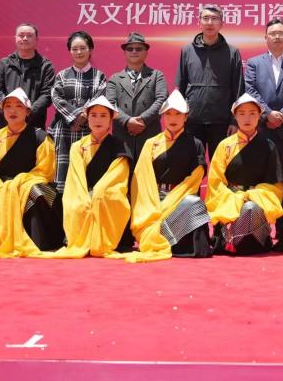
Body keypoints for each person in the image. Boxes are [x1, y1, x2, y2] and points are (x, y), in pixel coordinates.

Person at [111, 90, 212, 262]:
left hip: (180, 201)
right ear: (163, 117)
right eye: (168, 114)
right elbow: (141, 178)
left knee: (194, 203)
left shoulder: (195, 144)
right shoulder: (152, 143)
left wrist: (172, 200)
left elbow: (194, 180)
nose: (173, 118)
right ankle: (162, 240)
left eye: (178, 114)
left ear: (186, 117)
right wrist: (154, 204)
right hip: (153, 199)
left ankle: (176, 243)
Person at [243, 18, 283, 247]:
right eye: (273, 33)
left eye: (281, 33)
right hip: (262, 130)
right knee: (262, 181)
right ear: (266, 37)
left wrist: (282, 115)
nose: (277, 37)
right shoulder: (254, 63)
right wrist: (268, 114)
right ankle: (258, 232)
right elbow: (250, 90)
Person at [0, 88, 60, 257]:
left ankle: (40, 239)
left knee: (37, 191)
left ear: (27, 111)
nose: (12, 111)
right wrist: (5, 190)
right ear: (2, 111)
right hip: (1, 189)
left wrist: (19, 185)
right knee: (2, 194)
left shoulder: (41, 137)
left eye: (19, 106)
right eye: (8, 106)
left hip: (31, 187)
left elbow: (45, 171)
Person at [53, 96, 133, 258]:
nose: (98, 120)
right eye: (94, 115)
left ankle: (105, 241)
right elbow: (75, 178)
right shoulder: (78, 146)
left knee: (102, 198)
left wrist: (97, 193)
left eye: (103, 115)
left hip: (109, 194)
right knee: (76, 203)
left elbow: (118, 176)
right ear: (87, 118)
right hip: (82, 192)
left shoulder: (119, 145)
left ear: (111, 119)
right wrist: (84, 196)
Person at [205, 93, 283, 255]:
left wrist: (251, 195)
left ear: (259, 116)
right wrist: (236, 198)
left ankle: (255, 238)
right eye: (242, 113)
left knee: (250, 208)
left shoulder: (269, 146)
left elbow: (274, 185)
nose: (247, 118)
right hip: (230, 200)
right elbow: (215, 183)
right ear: (235, 117)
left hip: (257, 201)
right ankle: (228, 238)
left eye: (252, 113)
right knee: (243, 207)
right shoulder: (225, 146)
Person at [176, 5, 244, 158]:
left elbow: (238, 89)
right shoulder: (187, 51)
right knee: (192, 164)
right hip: (192, 121)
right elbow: (180, 87)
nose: (209, 23)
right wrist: (180, 119)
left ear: (221, 23)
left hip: (222, 123)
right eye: (205, 18)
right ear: (199, 22)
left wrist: (234, 121)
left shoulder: (232, 52)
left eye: (214, 19)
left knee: (220, 165)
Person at [49, 31, 107, 194]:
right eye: (74, 49)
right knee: (62, 176)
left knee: (86, 174)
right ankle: (61, 208)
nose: (79, 52)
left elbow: (99, 98)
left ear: (90, 49)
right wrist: (74, 116)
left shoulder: (99, 76)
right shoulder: (61, 75)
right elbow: (56, 98)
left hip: (89, 131)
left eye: (83, 48)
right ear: (70, 51)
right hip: (64, 131)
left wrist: (83, 117)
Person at [105, 32, 167, 163]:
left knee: (149, 173)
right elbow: (110, 104)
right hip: (122, 137)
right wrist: (128, 121)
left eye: (139, 49)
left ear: (146, 52)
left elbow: (162, 100)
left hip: (149, 135)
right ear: (125, 52)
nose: (134, 51)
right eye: (130, 48)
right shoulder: (114, 79)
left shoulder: (157, 76)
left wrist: (143, 120)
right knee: (122, 173)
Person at [0, 23, 56, 129]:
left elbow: (47, 94)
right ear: (15, 38)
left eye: (29, 35)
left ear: (36, 39)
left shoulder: (45, 66)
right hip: (6, 125)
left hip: (34, 125)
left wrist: (28, 112)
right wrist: (9, 110)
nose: (25, 38)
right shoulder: (4, 64)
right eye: (21, 35)